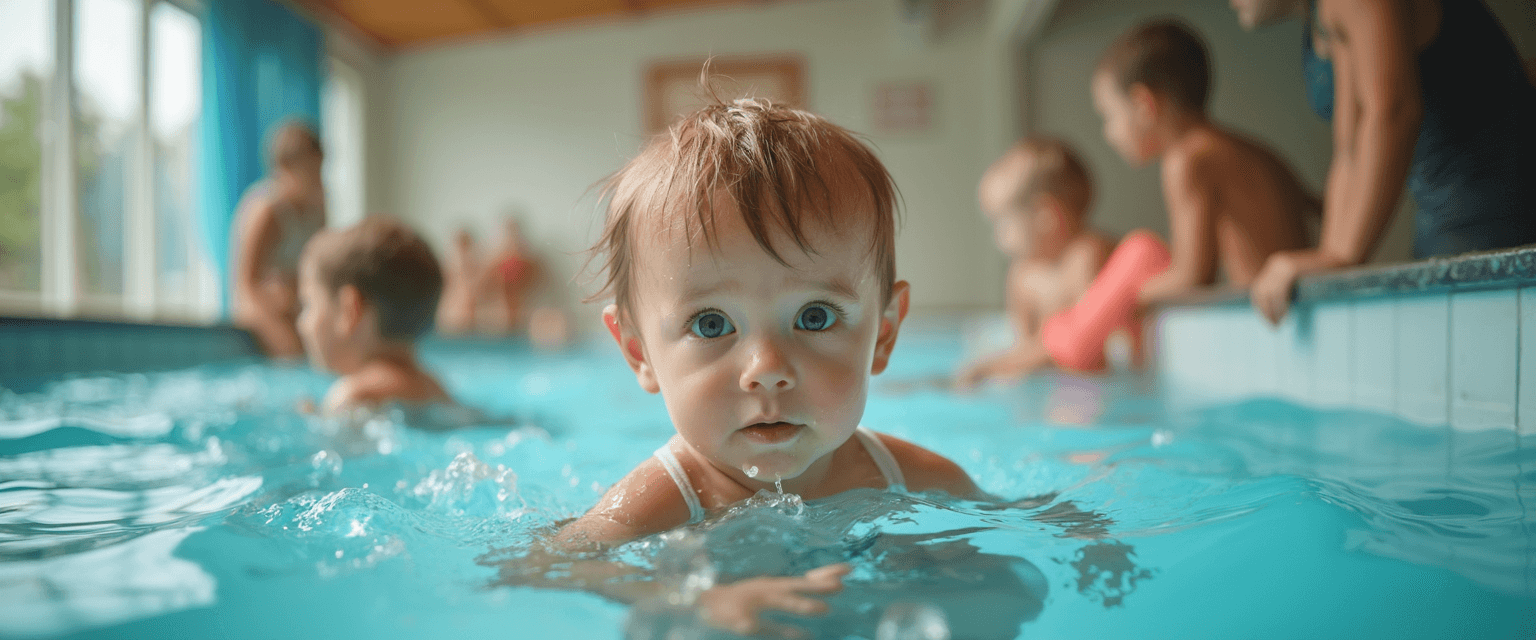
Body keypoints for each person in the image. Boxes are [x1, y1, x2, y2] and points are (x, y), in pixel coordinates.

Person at [515, 96, 982, 635]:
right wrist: (694, 602)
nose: (766, 368)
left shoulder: (916, 478)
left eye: (814, 316)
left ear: (883, 332)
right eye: (711, 324)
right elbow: (541, 567)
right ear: (639, 352)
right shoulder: (665, 499)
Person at [1236, 0, 1536, 323]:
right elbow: (1349, 148)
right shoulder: (1325, 16)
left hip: (1498, 219)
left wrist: (1341, 256)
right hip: (1446, 220)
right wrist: (1328, 257)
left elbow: (1392, 113)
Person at [1092, 19, 1315, 306]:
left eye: (1108, 116)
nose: (1108, 134)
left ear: (1143, 104)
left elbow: (1192, 277)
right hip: (1298, 303)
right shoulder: (1245, 148)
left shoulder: (1187, 159)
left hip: (1270, 314)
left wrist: (1123, 298)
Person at [955, 138, 1115, 388]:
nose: (996, 236)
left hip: (1088, 382)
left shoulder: (1086, 256)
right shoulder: (1021, 276)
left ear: (1045, 216)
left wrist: (995, 366)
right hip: (1055, 379)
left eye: (1002, 222)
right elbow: (1024, 344)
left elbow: (1090, 341)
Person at [295, 217, 450, 414]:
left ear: (349, 310)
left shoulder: (354, 395)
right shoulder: (436, 389)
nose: (301, 323)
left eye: (307, 304)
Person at [231, 122, 328, 359]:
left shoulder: (317, 210)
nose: (317, 177)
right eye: (310, 169)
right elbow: (245, 287)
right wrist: (283, 337)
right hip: (263, 311)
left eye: (319, 169)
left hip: (296, 308)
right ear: (286, 168)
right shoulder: (266, 211)